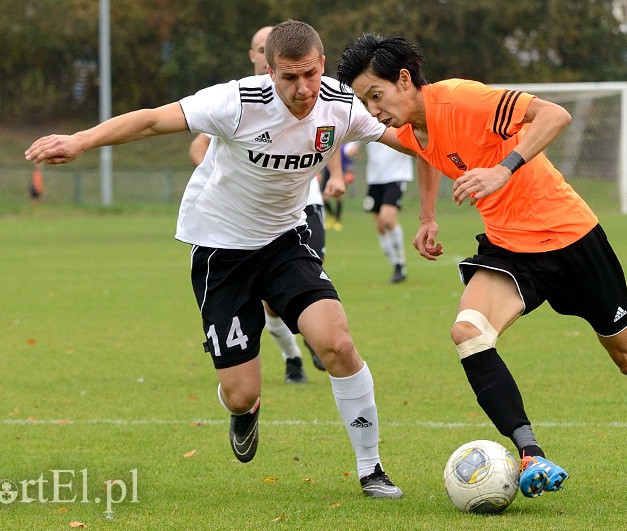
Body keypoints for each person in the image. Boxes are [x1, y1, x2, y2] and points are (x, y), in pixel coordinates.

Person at [26, 20, 411, 498]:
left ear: (323, 64)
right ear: (268, 71)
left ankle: (371, 468)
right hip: (221, 249)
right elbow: (150, 120)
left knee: (336, 343)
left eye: (310, 74)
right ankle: (242, 412)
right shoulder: (236, 102)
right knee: (241, 392)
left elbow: (410, 138)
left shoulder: (341, 102)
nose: (302, 88)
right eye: (289, 77)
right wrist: (80, 141)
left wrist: (477, 162)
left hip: (285, 241)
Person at [337, 34, 627, 498]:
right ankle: (531, 452)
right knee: (468, 333)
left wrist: (502, 169)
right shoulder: (412, 127)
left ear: (405, 80)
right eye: (363, 101)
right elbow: (424, 153)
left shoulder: (462, 99)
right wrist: (427, 217)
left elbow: (555, 114)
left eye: (376, 95)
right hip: (509, 249)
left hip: (572, 239)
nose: (373, 110)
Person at [188, 25, 325, 381]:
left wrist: (336, 175)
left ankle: (318, 336)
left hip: (301, 211)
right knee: (269, 306)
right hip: (238, 229)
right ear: (261, 60)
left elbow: (335, 135)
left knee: (309, 294)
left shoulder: (321, 98)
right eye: (261, 46)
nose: (302, 83)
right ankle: (293, 355)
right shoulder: (234, 101)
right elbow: (193, 141)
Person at [357, 141, 414, 283]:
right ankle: (396, 265)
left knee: (387, 218)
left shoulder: (399, 121)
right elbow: (354, 137)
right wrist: (350, 149)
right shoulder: (368, 119)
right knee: (381, 226)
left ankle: (401, 264)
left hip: (396, 175)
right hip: (375, 178)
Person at [320, 143, 356, 231]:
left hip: (340, 172)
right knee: (325, 198)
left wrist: (349, 173)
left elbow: (350, 161)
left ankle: (338, 220)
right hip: (327, 172)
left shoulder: (346, 147)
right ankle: (332, 216)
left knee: (339, 197)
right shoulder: (329, 142)